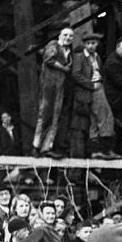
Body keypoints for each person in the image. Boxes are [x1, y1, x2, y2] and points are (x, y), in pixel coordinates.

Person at [71, 31, 119, 160]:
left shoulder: (97, 56)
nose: (91, 46)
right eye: (88, 43)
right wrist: (91, 85)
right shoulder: (80, 57)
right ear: (84, 44)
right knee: (106, 116)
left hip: (98, 86)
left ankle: (95, 150)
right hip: (92, 88)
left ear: (97, 44)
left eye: (93, 43)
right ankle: (106, 149)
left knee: (95, 120)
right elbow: (76, 74)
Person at [33, 28, 74, 158]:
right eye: (65, 35)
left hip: (59, 86)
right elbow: (49, 59)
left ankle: (47, 147)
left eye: (70, 36)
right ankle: (36, 146)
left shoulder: (68, 51)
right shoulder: (53, 45)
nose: (68, 38)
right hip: (49, 84)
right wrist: (64, 68)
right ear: (60, 35)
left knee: (56, 115)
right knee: (44, 114)